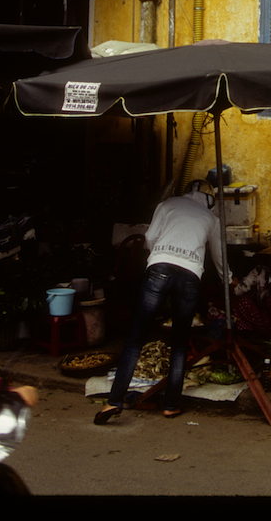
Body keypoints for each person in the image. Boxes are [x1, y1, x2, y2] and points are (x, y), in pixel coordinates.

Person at [94, 179, 228, 424]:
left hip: (159, 268)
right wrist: (229, 279)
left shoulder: (168, 204)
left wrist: (161, 256)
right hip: (190, 274)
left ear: (187, 192)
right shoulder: (212, 218)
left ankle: (113, 402)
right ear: (210, 201)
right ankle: (171, 405)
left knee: (135, 338)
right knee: (179, 341)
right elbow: (219, 255)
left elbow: (150, 237)